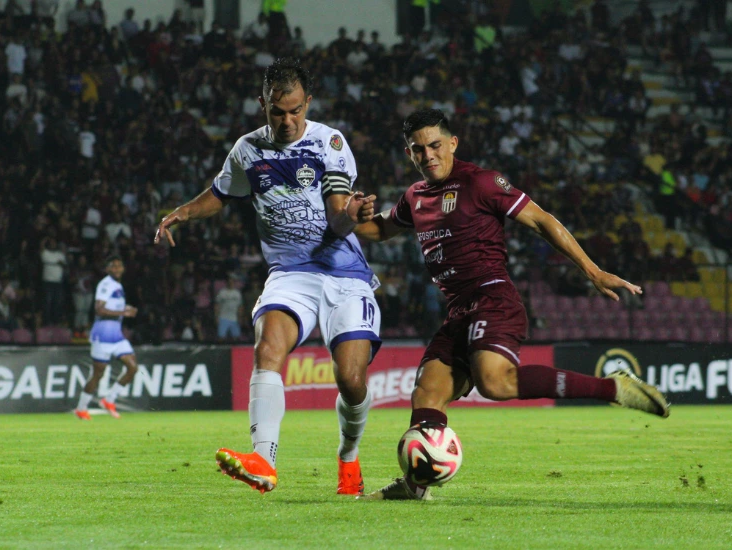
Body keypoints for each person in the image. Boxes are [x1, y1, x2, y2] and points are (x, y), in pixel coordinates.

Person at [351, 109, 669, 500]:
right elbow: (378, 229)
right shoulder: (414, 197)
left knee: (495, 381)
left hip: (492, 298)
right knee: (426, 394)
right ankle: (417, 486)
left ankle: (613, 388)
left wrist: (593, 270)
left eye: (435, 145)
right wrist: (351, 214)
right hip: (458, 311)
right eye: (418, 150)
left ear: (452, 143)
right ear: (409, 154)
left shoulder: (481, 182)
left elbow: (542, 220)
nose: (428, 155)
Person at [154, 58, 382, 496]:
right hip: (290, 273)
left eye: (296, 110)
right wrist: (182, 212)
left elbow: (337, 221)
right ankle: (263, 458)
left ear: (307, 103)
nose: (288, 120)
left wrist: (352, 214)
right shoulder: (246, 150)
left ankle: (348, 457)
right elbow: (221, 193)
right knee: (268, 346)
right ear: (263, 105)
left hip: (343, 273)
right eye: (278, 112)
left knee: (351, 381)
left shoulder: (328, 142)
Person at [74, 255, 139, 421]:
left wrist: (126, 308)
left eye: (119, 266)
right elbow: (99, 310)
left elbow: (112, 307)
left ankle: (108, 400)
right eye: (113, 266)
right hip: (102, 336)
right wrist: (124, 312)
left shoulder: (117, 285)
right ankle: (81, 408)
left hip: (116, 336)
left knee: (132, 367)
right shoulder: (105, 284)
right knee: (98, 374)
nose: (117, 269)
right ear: (107, 269)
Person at [215, 274, 243, 340]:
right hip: (223, 317)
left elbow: (240, 306)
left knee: (236, 337)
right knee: (221, 337)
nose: (230, 283)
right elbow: (216, 305)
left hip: (234, 318)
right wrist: (216, 317)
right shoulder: (221, 292)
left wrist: (240, 317)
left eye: (232, 281)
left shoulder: (237, 293)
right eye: (229, 281)